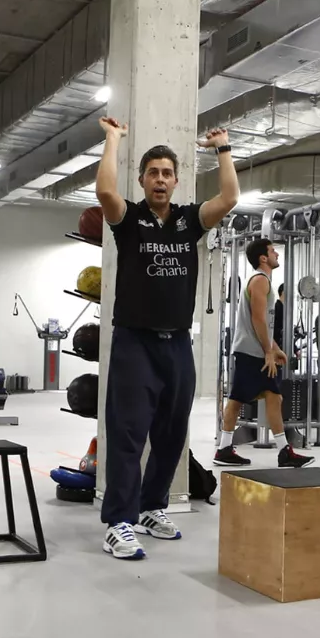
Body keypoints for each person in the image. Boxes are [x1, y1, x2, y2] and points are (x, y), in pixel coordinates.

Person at [95, 115, 239, 561]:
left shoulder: (188, 220)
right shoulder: (129, 219)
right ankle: (118, 520)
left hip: (177, 343)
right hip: (134, 342)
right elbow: (103, 192)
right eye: (153, 173)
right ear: (142, 180)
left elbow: (230, 197)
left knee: (173, 433)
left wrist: (223, 149)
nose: (160, 179)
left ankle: (152, 507)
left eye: (167, 173)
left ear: (177, 181)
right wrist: (113, 140)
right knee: (128, 432)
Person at [213, 238, 314, 470]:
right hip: (252, 352)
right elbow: (258, 318)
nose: (276, 254)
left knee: (271, 396)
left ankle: (273, 450)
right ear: (263, 258)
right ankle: (275, 451)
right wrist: (268, 352)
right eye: (272, 251)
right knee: (242, 399)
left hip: (254, 350)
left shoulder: (263, 280)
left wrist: (275, 348)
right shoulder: (260, 281)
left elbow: (264, 323)